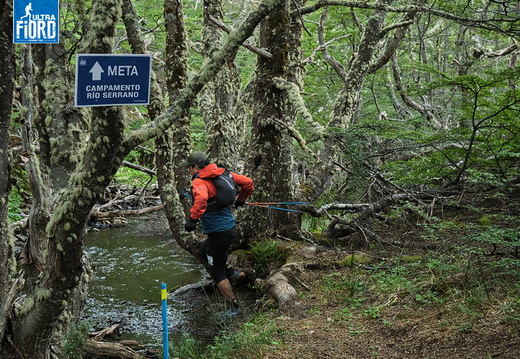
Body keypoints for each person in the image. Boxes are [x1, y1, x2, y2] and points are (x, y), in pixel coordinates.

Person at [181, 151, 254, 314]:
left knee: (217, 272)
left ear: (195, 167)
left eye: (189, 168)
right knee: (203, 251)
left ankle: (234, 306)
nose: (188, 171)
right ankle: (234, 275)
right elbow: (248, 182)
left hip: (220, 233)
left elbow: (200, 199)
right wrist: (241, 199)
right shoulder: (224, 173)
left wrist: (193, 219)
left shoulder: (200, 181)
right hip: (226, 229)